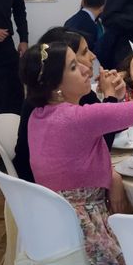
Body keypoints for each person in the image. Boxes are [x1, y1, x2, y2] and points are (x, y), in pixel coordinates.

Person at [19, 31, 133, 265]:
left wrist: (113, 100)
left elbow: (82, 149)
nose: (87, 69)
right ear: (55, 84)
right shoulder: (79, 118)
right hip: (88, 233)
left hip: (57, 230)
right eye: (74, 66)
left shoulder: (39, 115)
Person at [14, 27, 126, 184]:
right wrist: (111, 97)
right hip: (45, 191)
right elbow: (101, 145)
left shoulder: (75, 92)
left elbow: (112, 126)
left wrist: (117, 97)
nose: (93, 56)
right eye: (85, 52)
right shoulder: (42, 104)